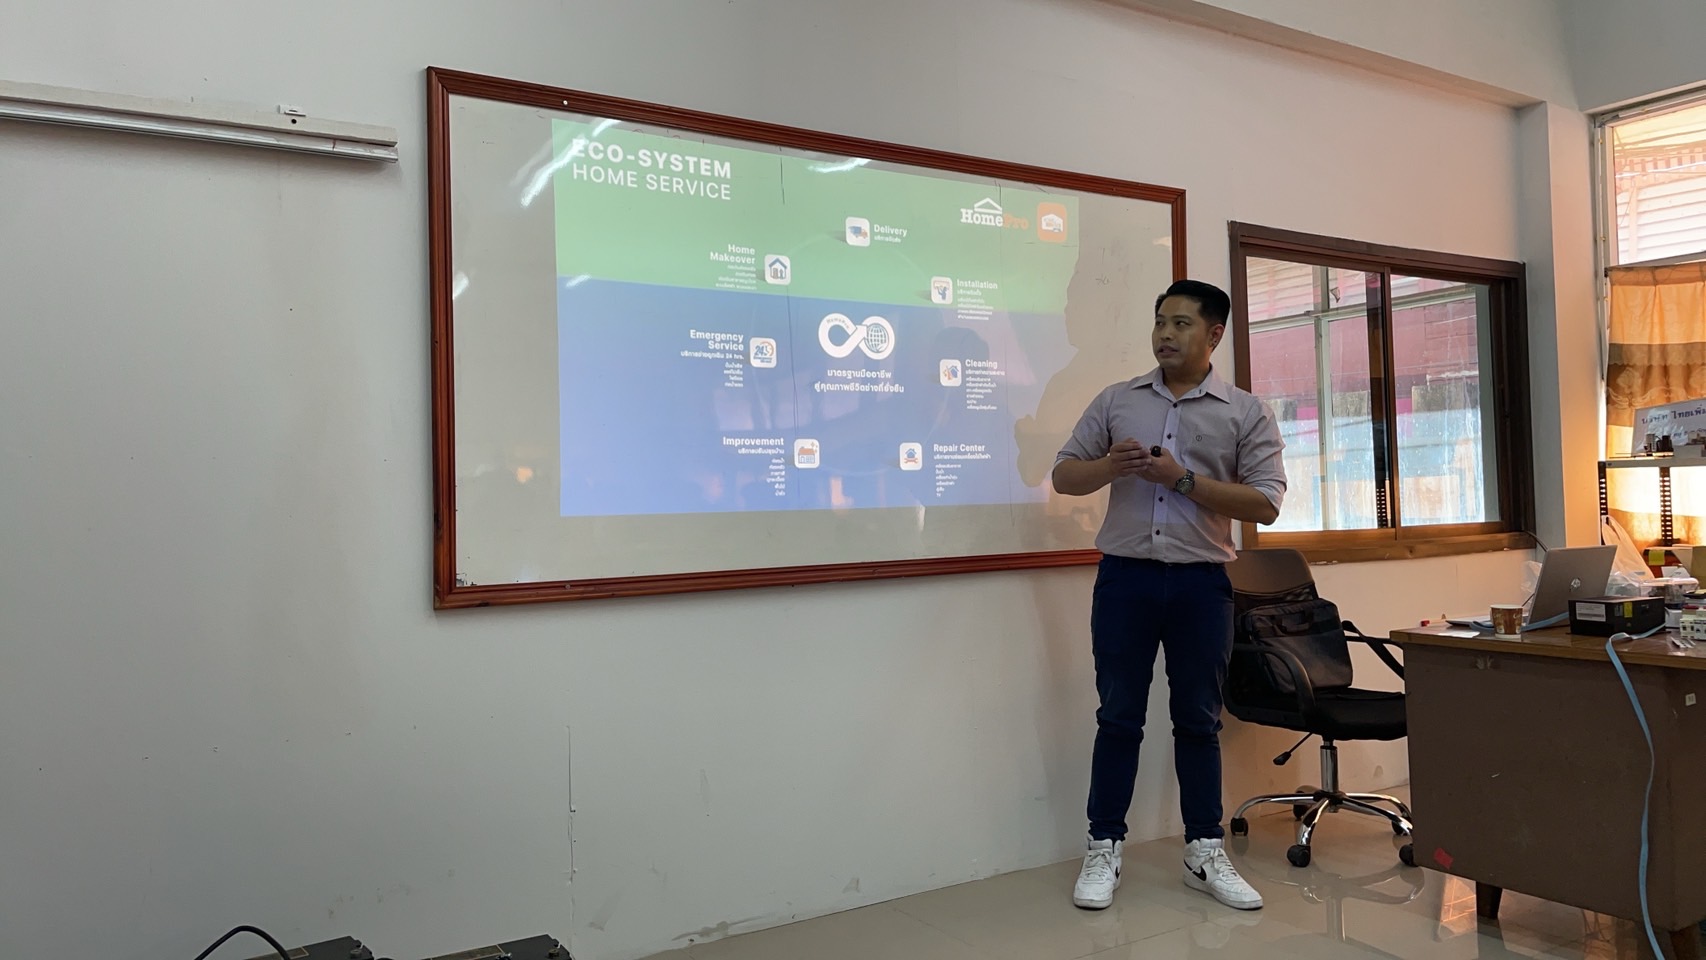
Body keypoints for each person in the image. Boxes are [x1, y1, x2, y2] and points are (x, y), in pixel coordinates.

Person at [1052, 279, 1286, 912]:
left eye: (1181, 323)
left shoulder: (1245, 412)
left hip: (1201, 584)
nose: (1165, 334)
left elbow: (1266, 503)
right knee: (1118, 716)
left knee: (1199, 720)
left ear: (1214, 335)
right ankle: (1104, 847)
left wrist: (1181, 479)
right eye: (1160, 321)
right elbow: (1064, 475)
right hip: (1125, 579)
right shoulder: (1117, 400)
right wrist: (1112, 466)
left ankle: (1203, 850)